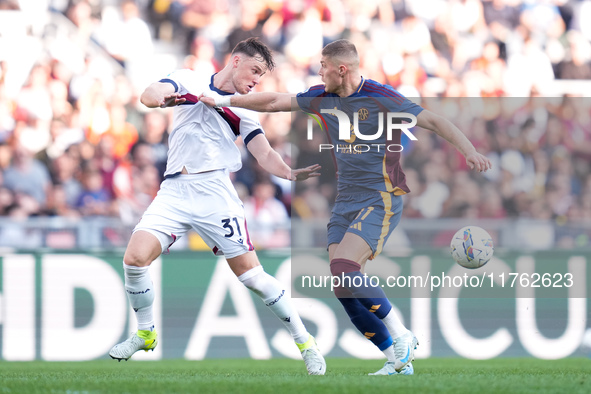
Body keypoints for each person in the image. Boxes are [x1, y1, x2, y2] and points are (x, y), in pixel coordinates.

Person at [201, 39, 492, 376]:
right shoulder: (323, 97)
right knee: (342, 286)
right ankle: (397, 362)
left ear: (342, 69)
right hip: (345, 202)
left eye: (323, 66)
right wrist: (224, 100)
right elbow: (276, 101)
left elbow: (436, 122)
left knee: (344, 268)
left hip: (379, 198)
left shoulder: (381, 97)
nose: (319, 72)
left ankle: (403, 336)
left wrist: (469, 150)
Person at [108, 38, 326, 375]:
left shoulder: (244, 107)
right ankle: (145, 333)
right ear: (235, 61)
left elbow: (263, 152)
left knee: (253, 277)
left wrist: (287, 172)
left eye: (261, 77)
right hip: (175, 190)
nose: (256, 80)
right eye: (254, 71)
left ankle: (306, 342)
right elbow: (149, 93)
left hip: (215, 193)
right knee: (134, 260)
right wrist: (161, 99)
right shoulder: (189, 79)